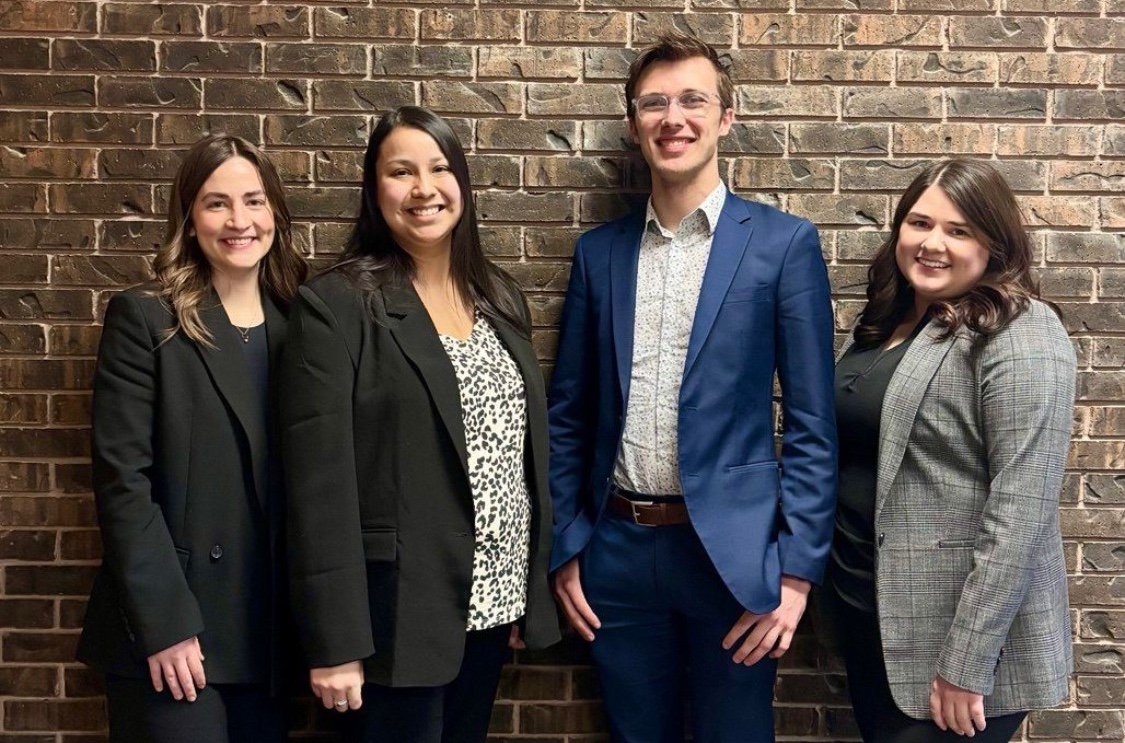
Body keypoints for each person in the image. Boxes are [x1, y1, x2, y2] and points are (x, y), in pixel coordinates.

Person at [548, 32, 838, 743]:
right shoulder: (600, 253)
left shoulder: (782, 244)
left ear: (725, 117)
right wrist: (565, 546)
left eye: (691, 100)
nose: (671, 117)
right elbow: (568, 413)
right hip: (614, 553)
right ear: (632, 122)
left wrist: (794, 575)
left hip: (733, 560)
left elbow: (810, 422)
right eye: (654, 103)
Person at [279, 105, 560, 743]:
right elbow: (317, 490)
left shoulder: (501, 297)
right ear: (375, 192)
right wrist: (335, 643)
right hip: (390, 621)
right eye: (400, 172)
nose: (423, 188)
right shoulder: (339, 305)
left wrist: (527, 589)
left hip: (491, 605)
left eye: (438, 168)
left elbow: (521, 454)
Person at [822, 158, 1075, 742]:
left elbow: (1021, 513)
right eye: (919, 223)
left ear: (995, 243)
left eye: (959, 231)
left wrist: (967, 664)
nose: (933, 243)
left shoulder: (1020, 331)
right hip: (877, 623)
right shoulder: (891, 321)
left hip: (957, 651)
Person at [77, 134, 308, 742]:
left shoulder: (304, 326)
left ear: (275, 215)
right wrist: (166, 624)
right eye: (216, 204)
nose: (239, 222)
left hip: (269, 632)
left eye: (254, 202)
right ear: (189, 217)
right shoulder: (147, 318)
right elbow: (122, 482)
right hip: (176, 630)